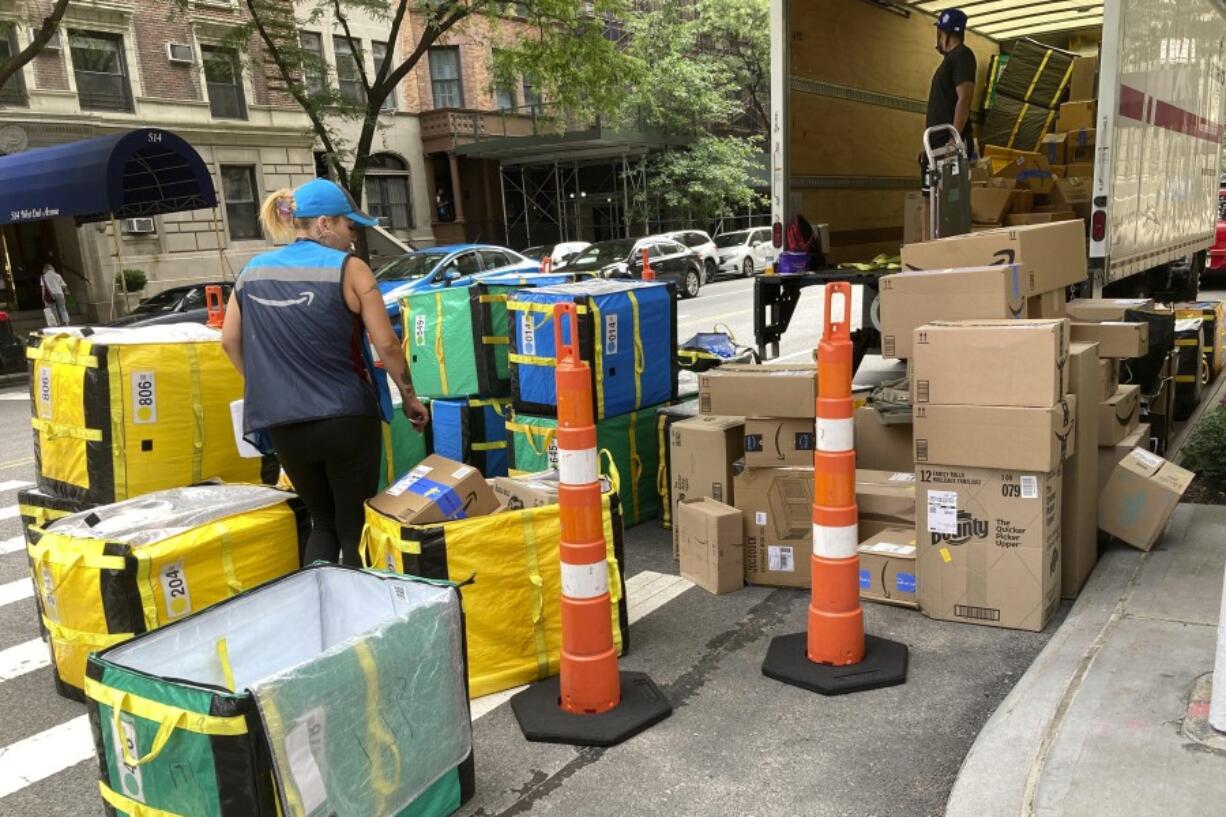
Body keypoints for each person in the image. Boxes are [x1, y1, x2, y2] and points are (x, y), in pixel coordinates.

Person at [220, 178, 429, 567]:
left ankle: (318, 614)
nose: (354, 239)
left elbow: (229, 341)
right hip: (345, 416)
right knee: (353, 529)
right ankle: (354, 621)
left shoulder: (251, 271)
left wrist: (267, 384)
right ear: (323, 224)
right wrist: (411, 397)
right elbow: (386, 345)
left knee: (321, 524)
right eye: (350, 227)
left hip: (283, 421)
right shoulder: (351, 269)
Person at [920, 8, 977, 181]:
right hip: (937, 144)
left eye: (939, 30)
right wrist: (928, 146)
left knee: (947, 203)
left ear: (944, 32)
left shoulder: (962, 55)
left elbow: (965, 98)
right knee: (930, 200)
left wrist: (954, 141)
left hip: (949, 144)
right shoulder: (950, 60)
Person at [41, 257, 68, 325]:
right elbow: (63, 285)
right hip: (59, 293)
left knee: (53, 309)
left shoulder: (43, 277)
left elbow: (43, 288)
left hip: (50, 294)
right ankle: (66, 322)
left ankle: (58, 322)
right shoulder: (58, 275)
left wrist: (43, 297)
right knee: (62, 308)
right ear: (52, 268)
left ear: (44, 269)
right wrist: (66, 291)